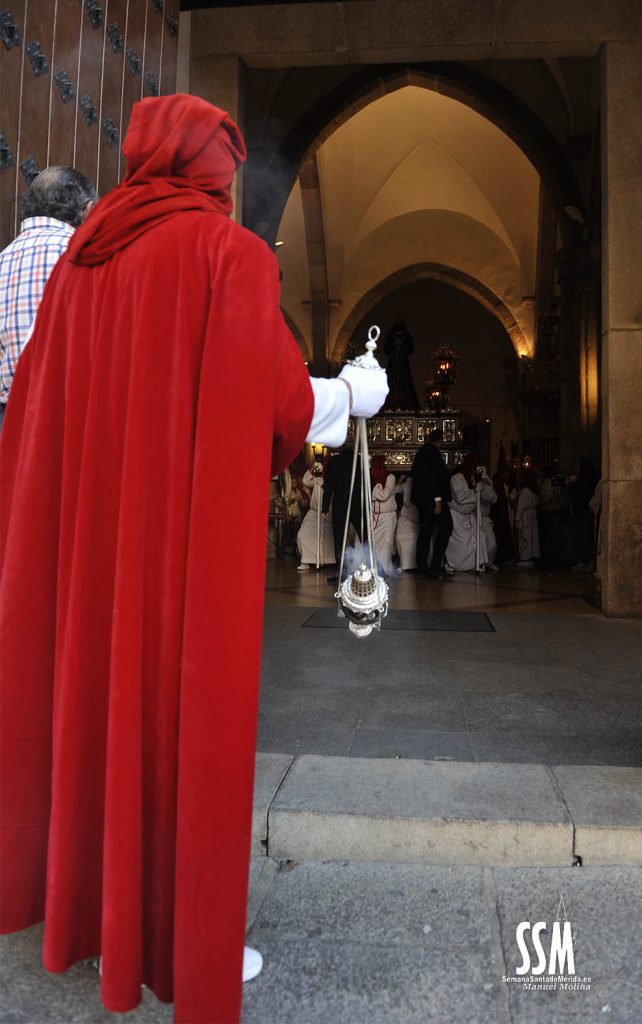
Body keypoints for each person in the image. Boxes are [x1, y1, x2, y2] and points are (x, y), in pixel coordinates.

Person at [0, 94, 387, 1024]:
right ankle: (185, 943)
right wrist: (354, 393)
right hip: (176, 551)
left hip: (93, 546)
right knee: (184, 729)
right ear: (208, 167)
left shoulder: (83, 264)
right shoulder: (227, 254)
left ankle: (103, 923)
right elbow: (277, 402)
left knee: (99, 717)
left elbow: (42, 410)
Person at [0, 166, 97, 427]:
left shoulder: (3, 259)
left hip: (7, 420)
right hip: (66, 416)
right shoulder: (84, 257)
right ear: (87, 210)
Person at [411, 428, 453, 579]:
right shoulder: (433, 454)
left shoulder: (421, 452)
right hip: (432, 500)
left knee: (425, 531)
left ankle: (422, 567)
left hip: (422, 500)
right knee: (446, 527)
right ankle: (435, 565)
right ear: (440, 440)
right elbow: (434, 479)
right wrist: (438, 501)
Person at [322, 445, 363, 583]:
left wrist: (325, 507)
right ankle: (375, 567)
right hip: (357, 505)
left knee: (339, 540)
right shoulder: (360, 460)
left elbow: (329, 485)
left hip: (340, 505)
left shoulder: (335, 461)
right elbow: (365, 485)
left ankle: (341, 572)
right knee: (365, 537)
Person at [445, 454, 487, 572]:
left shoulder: (471, 477)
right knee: (464, 540)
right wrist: (475, 490)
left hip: (469, 514)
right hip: (457, 514)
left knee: (480, 535)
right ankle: (457, 564)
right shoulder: (457, 478)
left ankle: (476, 563)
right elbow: (460, 497)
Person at [296, 461, 335, 568]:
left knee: (329, 538)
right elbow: (305, 481)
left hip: (327, 514)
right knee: (302, 535)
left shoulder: (334, 480)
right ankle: (306, 560)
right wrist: (313, 466)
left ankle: (329, 561)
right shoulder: (317, 480)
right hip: (314, 513)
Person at [370, 455, 401, 575]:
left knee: (387, 542)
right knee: (374, 544)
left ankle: (387, 569)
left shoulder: (390, 477)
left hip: (388, 517)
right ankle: (376, 568)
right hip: (375, 517)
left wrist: (375, 487)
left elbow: (384, 495)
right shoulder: (370, 478)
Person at [568, 457, 599, 572]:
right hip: (581, 512)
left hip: (584, 512)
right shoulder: (584, 480)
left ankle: (588, 561)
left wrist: (572, 484)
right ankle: (584, 560)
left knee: (585, 537)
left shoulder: (586, 481)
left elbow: (579, 492)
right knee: (582, 537)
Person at [515, 469, 541, 566]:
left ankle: (526, 557)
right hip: (532, 514)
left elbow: (521, 505)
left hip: (525, 515)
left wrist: (517, 518)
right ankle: (532, 555)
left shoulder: (525, 491)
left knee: (526, 536)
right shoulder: (535, 490)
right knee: (532, 536)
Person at [395, 474, 420, 570]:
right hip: (405, 516)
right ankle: (405, 564)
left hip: (416, 515)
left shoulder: (418, 484)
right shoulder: (404, 485)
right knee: (400, 538)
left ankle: (415, 564)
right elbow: (395, 490)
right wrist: (400, 480)